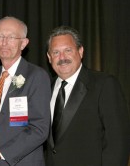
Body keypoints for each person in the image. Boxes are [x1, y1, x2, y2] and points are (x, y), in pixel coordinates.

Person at [0, 16, 51, 166]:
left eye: (12, 37)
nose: (5, 42)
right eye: (0, 36)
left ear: (23, 43)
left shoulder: (37, 76)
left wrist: (0, 153)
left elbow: (40, 128)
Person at [45, 26, 130, 166]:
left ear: (81, 51)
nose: (62, 58)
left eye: (68, 50)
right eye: (56, 52)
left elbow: (118, 142)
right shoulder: (45, 88)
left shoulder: (104, 84)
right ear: (49, 57)